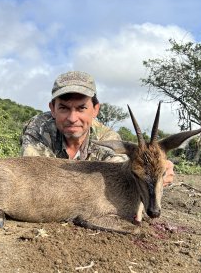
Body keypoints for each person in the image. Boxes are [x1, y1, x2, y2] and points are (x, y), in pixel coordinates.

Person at [21, 70, 174, 186]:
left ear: (95, 110)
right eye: (64, 108)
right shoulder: (38, 127)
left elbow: (122, 179)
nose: (72, 118)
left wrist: (156, 171)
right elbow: (33, 175)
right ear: (52, 109)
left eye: (81, 108)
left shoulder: (108, 139)